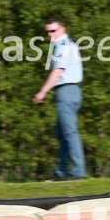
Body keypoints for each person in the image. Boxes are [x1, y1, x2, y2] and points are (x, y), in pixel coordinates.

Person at [33, 17, 86, 181]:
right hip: (70, 91)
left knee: (69, 132)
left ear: (63, 29)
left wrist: (42, 92)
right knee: (61, 132)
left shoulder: (63, 46)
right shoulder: (66, 44)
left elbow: (57, 72)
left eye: (53, 30)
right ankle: (62, 170)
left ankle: (78, 171)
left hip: (67, 91)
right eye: (48, 31)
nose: (50, 34)